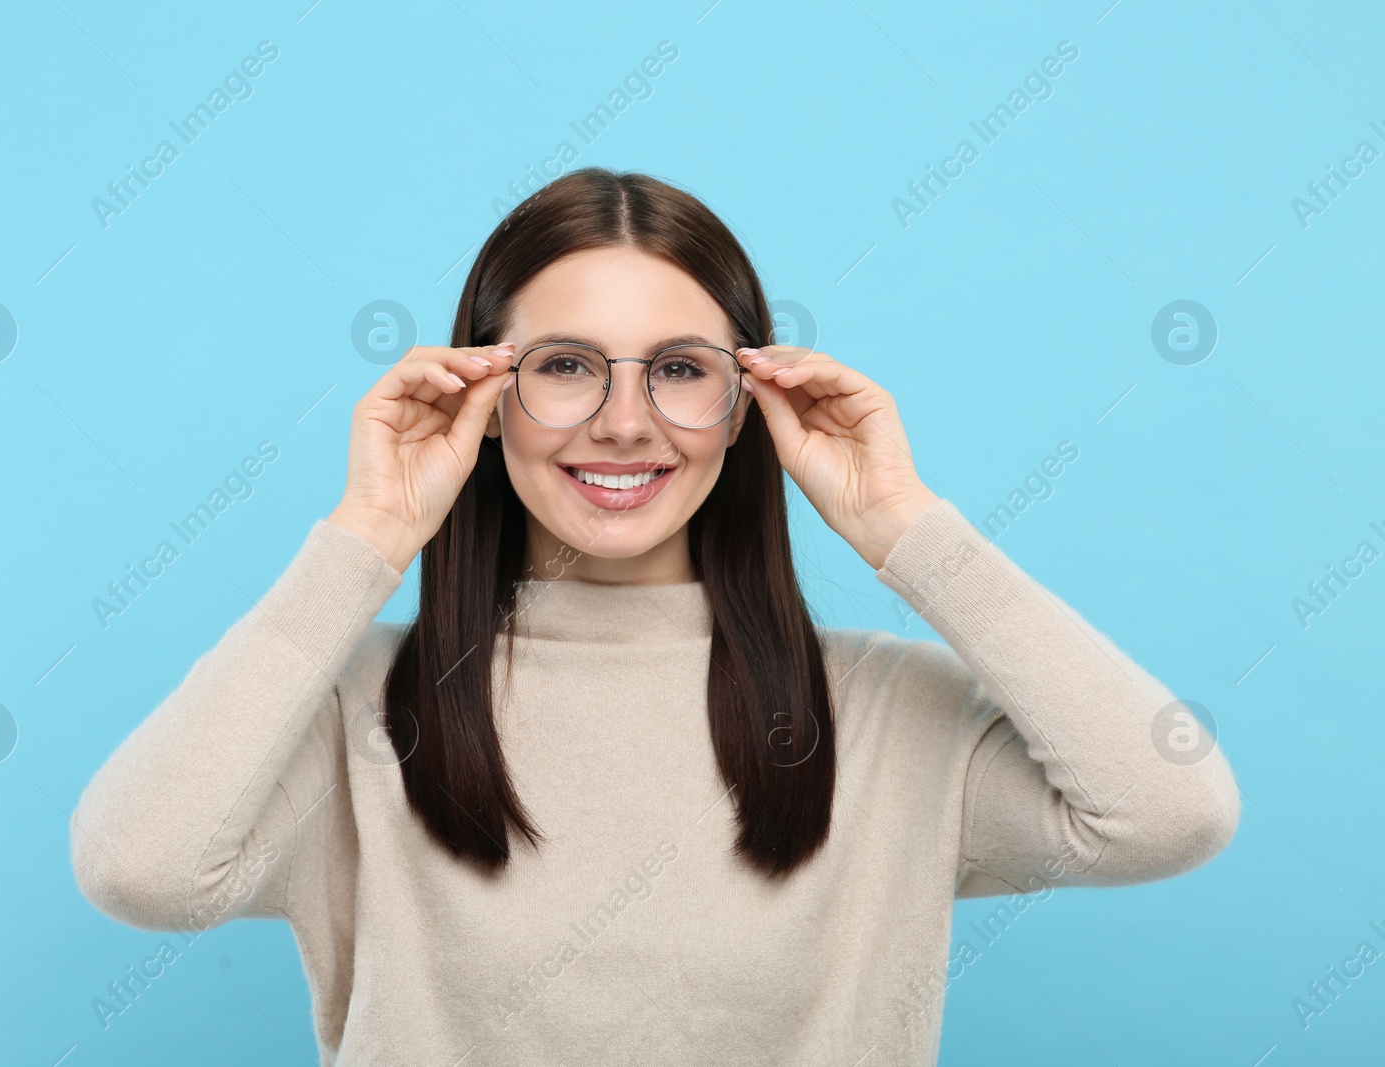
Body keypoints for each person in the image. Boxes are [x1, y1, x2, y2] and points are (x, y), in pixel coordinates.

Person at [70, 168, 1240, 1065]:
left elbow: (1167, 809)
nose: (626, 422)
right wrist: (365, 541)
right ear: (482, 393)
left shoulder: (889, 711)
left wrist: (904, 524)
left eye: (679, 369)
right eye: (567, 366)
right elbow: (140, 868)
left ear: (744, 406)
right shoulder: (351, 707)